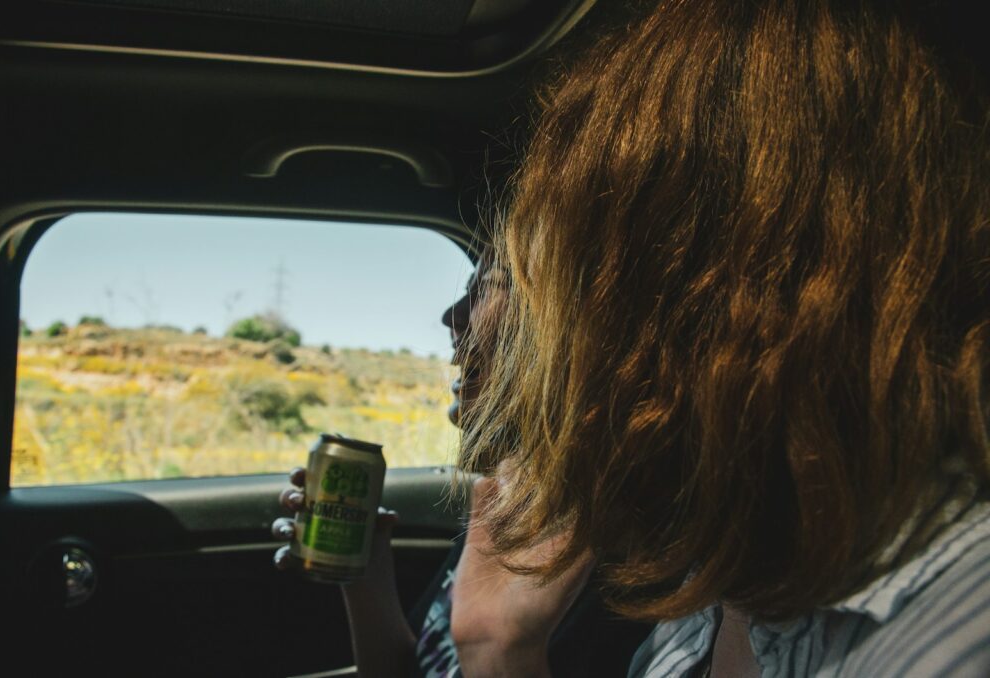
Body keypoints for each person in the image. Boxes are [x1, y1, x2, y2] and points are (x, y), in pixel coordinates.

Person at [446, 1, 990, 677]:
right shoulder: (720, 576)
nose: (553, 359)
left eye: (571, 299)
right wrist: (498, 646)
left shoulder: (950, 643)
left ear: (707, 309)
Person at [272, 252, 652, 677]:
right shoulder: (510, 508)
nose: (451, 315)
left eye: (489, 284)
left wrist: (503, 654)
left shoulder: (632, 581)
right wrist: (362, 574)